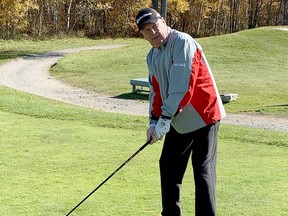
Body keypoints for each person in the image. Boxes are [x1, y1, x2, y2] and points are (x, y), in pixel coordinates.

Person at [135, 8, 226, 216]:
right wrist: (153, 122)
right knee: (168, 165)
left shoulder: (183, 42)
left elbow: (182, 86)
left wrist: (164, 119)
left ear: (164, 21)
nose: (153, 33)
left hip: (204, 115)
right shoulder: (152, 57)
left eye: (155, 26)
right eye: (146, 30)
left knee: (202, 171)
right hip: (178, 118)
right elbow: (157, 92)